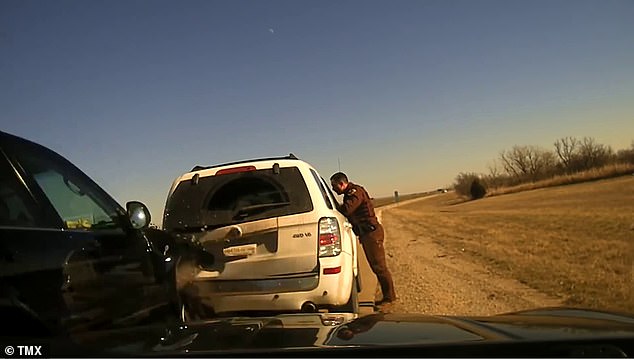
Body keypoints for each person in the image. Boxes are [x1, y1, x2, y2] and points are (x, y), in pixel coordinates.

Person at [330, 172, 397, 306]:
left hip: (371, 234)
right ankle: (388, 296)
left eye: (334, 186)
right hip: (367, 234)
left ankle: (389, 298)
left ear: (342, 184)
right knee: (376, 267)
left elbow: (347, 210)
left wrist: (334, 207)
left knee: (379, 267)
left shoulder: (354, 193)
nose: (333, 189)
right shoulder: (350, 193)